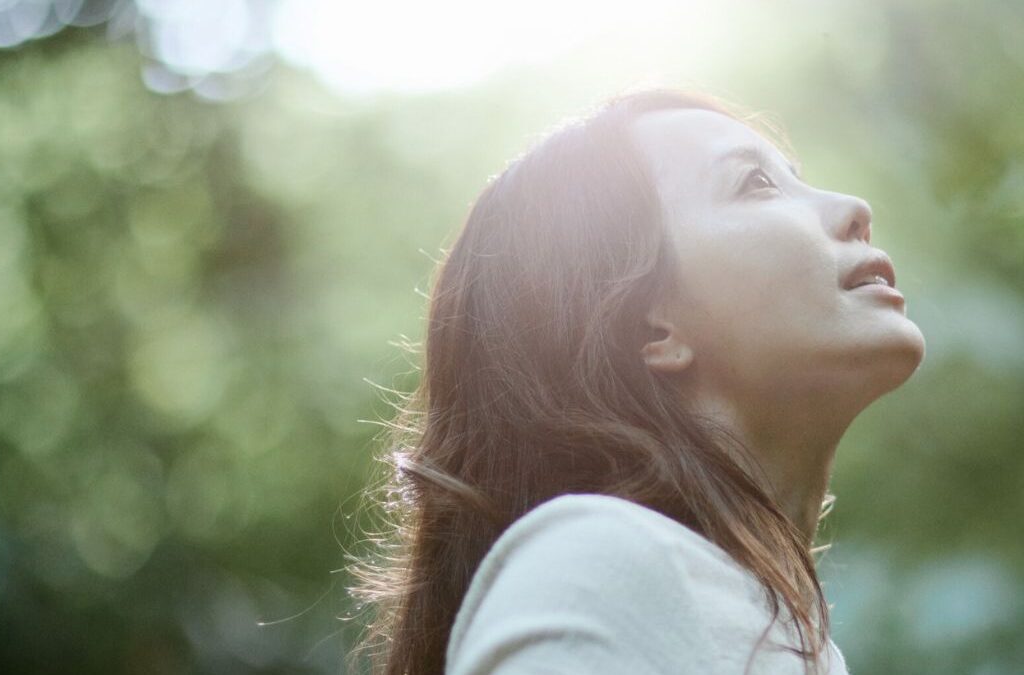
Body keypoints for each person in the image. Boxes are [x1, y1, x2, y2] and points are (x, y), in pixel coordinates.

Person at [349, 89, 925, 675]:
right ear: (650, 322)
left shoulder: (794, 645)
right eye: (756, 183)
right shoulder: (600, 564)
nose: (854, 208)